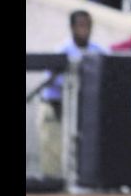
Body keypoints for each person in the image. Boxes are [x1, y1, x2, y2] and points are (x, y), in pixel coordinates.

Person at [38, 10, 106, 179]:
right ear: (72, 27)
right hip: (56, 107)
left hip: (86, 112)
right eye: (80, 25)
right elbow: (51, 79)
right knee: (53, 149)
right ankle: (52, 189)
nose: (84, 30)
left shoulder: (98, 51)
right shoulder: (62, 50)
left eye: (87, 26)